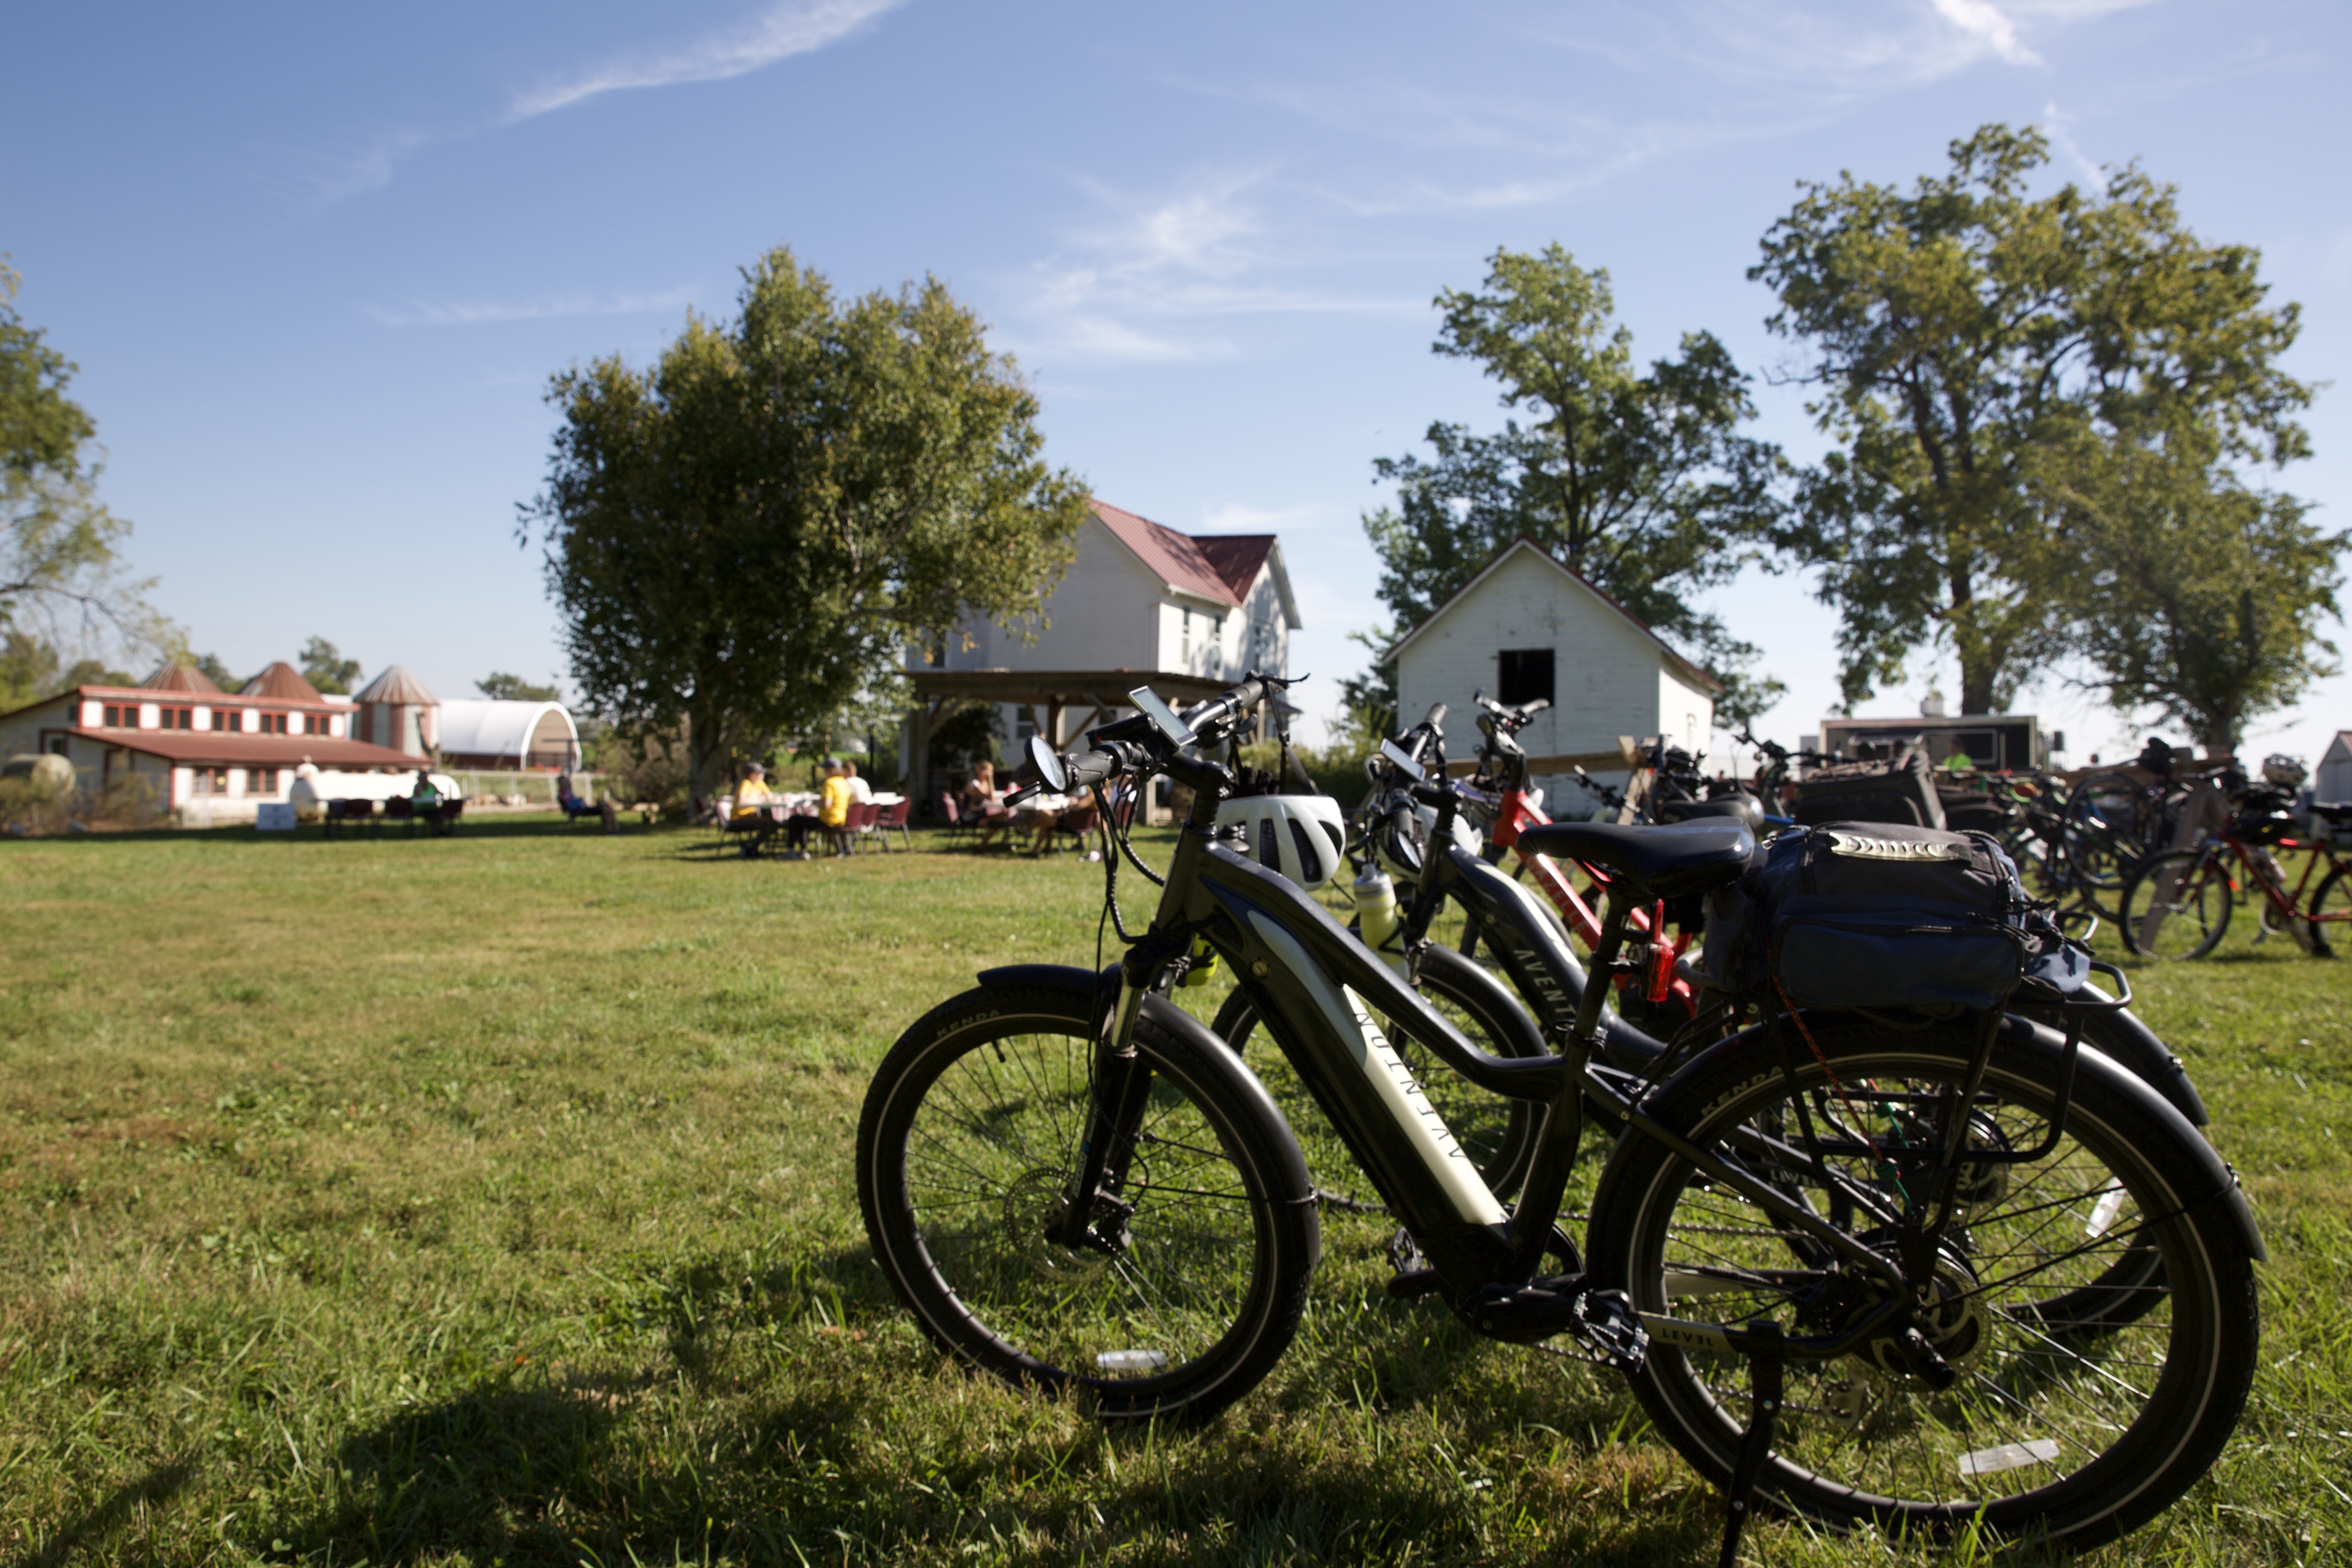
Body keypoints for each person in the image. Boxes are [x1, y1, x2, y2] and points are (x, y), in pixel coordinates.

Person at [732, 762, 778, 857]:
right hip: (740, 818)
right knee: (770, 825)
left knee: (772, 824)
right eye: (760, 773)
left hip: (751, 816)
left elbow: (770, 796)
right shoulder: (746, 783)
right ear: (752, 775)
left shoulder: (759, 783)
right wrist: (758, 799)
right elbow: (742, 800)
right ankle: (750, 847)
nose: (763, 775)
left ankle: (752, 847)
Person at [820, 755, 857, 855]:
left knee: (796, 820)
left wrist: (816, 803)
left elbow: (826, 805)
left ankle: (797, 851)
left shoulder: (829, 783)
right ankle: (843, 847)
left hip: (829, 820)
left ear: (831, 770)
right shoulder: (844, 782)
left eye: (825, 769)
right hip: (842, 819)